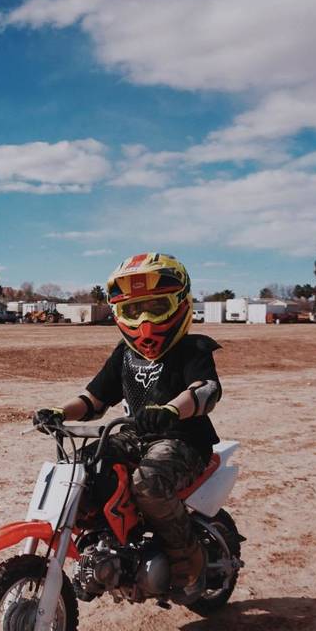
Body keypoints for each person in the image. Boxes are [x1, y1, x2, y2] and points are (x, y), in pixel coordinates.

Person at [32, 253, 222, 604]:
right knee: (84, 469)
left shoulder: (192, 348)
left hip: (183, 440)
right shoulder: (124, 354)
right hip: (134, 436)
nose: (145, 320)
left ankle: (186, 564)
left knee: (147, 483)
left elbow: (205, 390)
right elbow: (93, 399)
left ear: (180, 304)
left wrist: (170, 411)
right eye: (135, 310)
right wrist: (59, 412)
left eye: (156, 306)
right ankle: (106, 549)